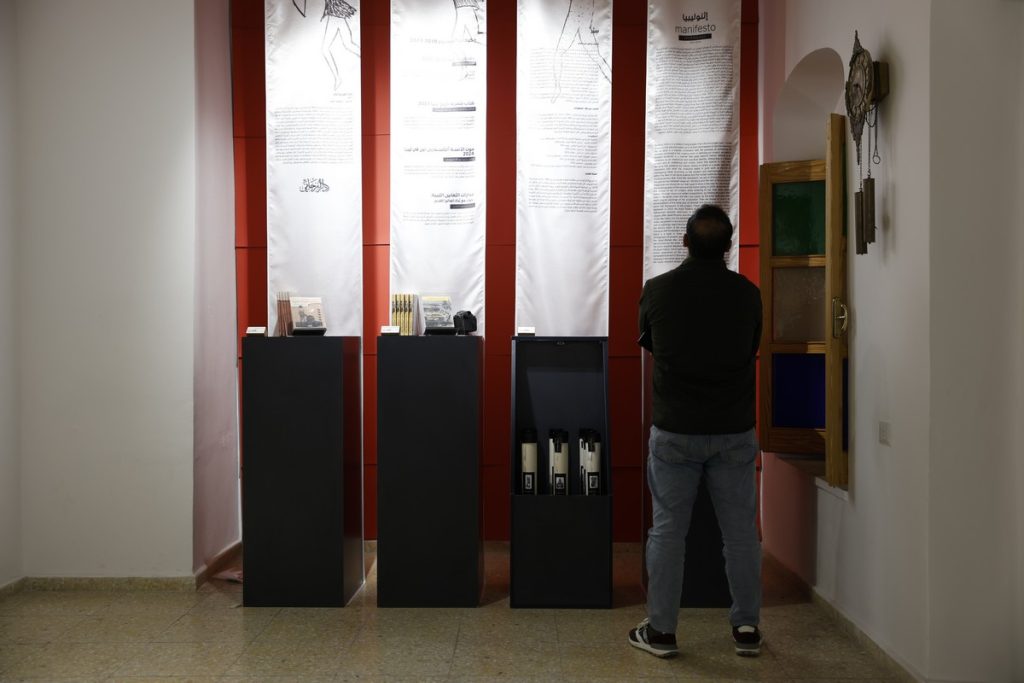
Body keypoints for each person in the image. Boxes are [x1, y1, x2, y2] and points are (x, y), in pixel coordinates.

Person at [629, 204, 764, 658]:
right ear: (729, 246)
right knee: (741, 534)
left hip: (675, 428)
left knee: (668, 532)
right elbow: (751, 346)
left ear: (685, 242)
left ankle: (662, 631)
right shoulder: (747, 294)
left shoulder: (657, 291)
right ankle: (746, 628)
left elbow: (650, 342)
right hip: (733, 429)